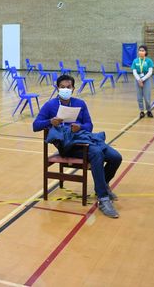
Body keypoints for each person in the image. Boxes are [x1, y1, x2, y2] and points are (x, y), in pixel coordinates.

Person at [33, 74, 122, 218]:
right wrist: (50, 121)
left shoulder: (80, 103)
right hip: (67, 146)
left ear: (73, 88)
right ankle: (103, 198)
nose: (65, 90)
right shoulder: (50, 105)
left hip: (84, 140)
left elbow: (89, 125)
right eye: (62, 87)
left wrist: (79, 127)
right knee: (96, 153)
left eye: (68, 87)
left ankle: (103, 184)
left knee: (115, 157)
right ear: (57, 88)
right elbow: (35, 125)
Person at [131, 45, 154, 118]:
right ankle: (141, 111)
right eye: (140, 50)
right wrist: (138, 80)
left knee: (147, 98)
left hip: (146, 80)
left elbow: (150, 72)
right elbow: (134, 71)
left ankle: (149, 110)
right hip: (138, 80)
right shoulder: (135, 61)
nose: (141, 52)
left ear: (146, 52)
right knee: (139, 97)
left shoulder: (149, 61)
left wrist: (142, 79)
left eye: (143, 50)